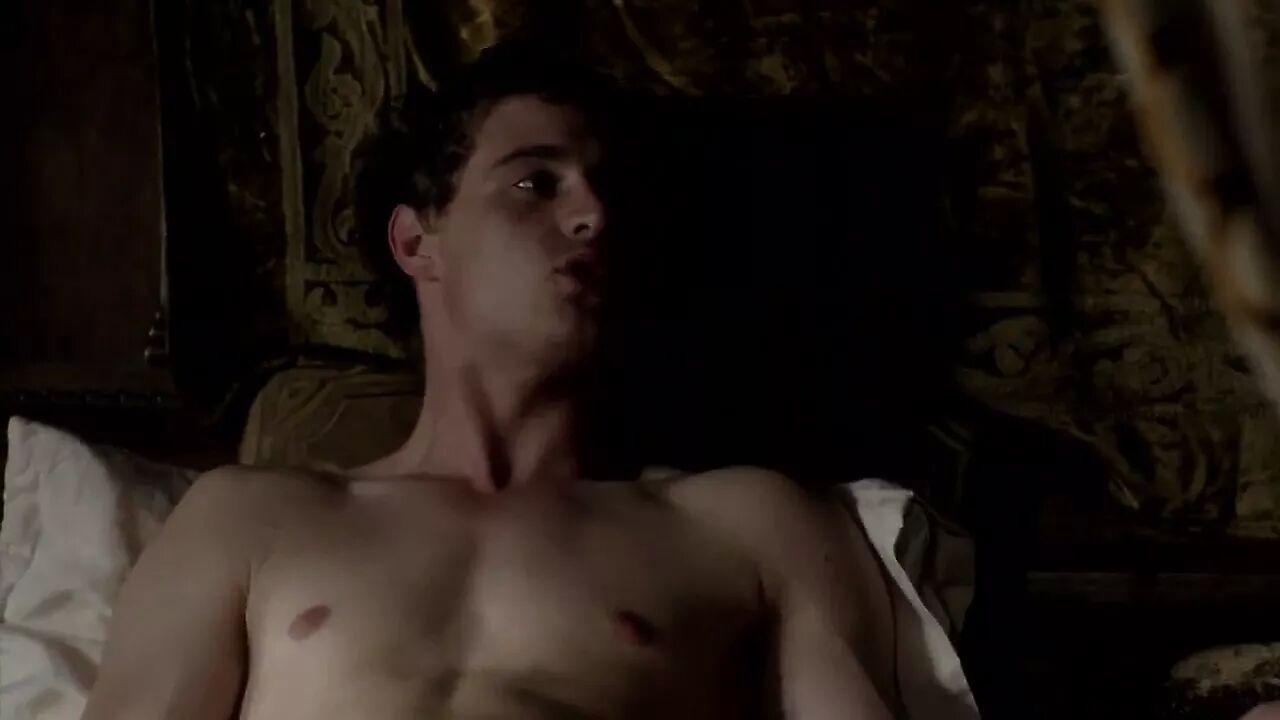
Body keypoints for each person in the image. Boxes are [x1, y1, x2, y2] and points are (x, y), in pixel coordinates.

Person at [81, 39, 898, 720]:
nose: (592, 217)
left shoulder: (745, 524)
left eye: (609, 193)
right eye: (535, 183)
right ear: (417, 243)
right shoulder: (246, 517)